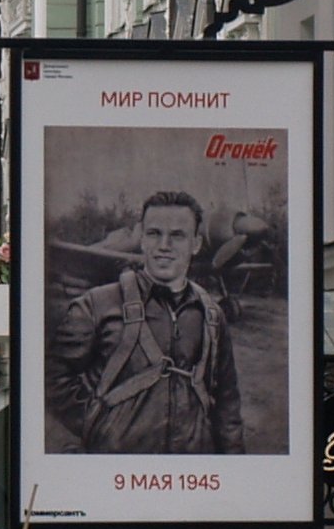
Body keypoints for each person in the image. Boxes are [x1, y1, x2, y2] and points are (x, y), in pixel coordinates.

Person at [47, 190, 245, 454]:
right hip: (119, 470)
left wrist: (233, 460)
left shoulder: (212, 314)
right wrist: (98, 424)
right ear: (141, 240)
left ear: (196, 244)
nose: (164, 245)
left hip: (191, 472)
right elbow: (52, 375)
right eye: (154, 234)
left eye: (177, 235)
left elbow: (227, 402)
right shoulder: (96, 304)